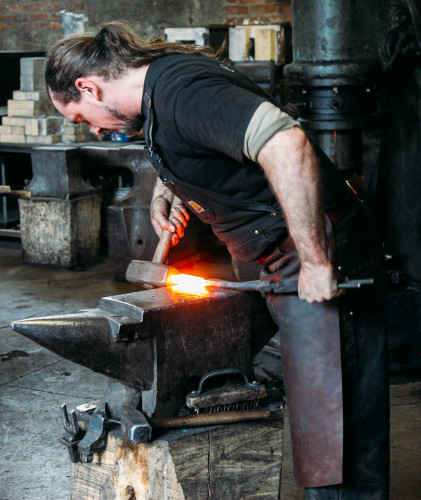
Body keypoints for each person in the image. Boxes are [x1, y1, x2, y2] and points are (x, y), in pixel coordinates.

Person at [45, 21, 390, 499]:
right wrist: (172, 187)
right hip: (279, 257)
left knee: (336, 428)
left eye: (83, 119)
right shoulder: (158, 94)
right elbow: (204, 139)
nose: (96, 130)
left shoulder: (182, 91)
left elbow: (286, 143)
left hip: (321, 250)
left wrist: (314, 262)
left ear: (89, 87)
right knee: (322, 418)